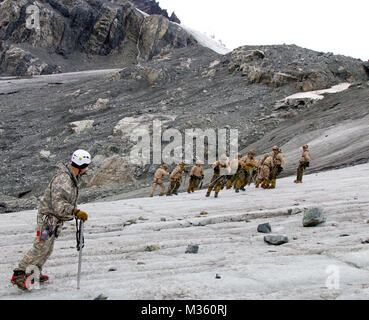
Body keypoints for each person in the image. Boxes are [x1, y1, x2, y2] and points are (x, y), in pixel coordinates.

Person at [10, 150, 91, 291]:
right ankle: (20, 273)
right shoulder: (63, 179)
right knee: (41, 245)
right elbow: (58, 204)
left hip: (54, 219)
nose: (86, 169)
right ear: (81, 165)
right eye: (86, 166)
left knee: (47, 248)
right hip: (48, 218)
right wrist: (75, 211)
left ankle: (33, 272)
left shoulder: (71, 178)